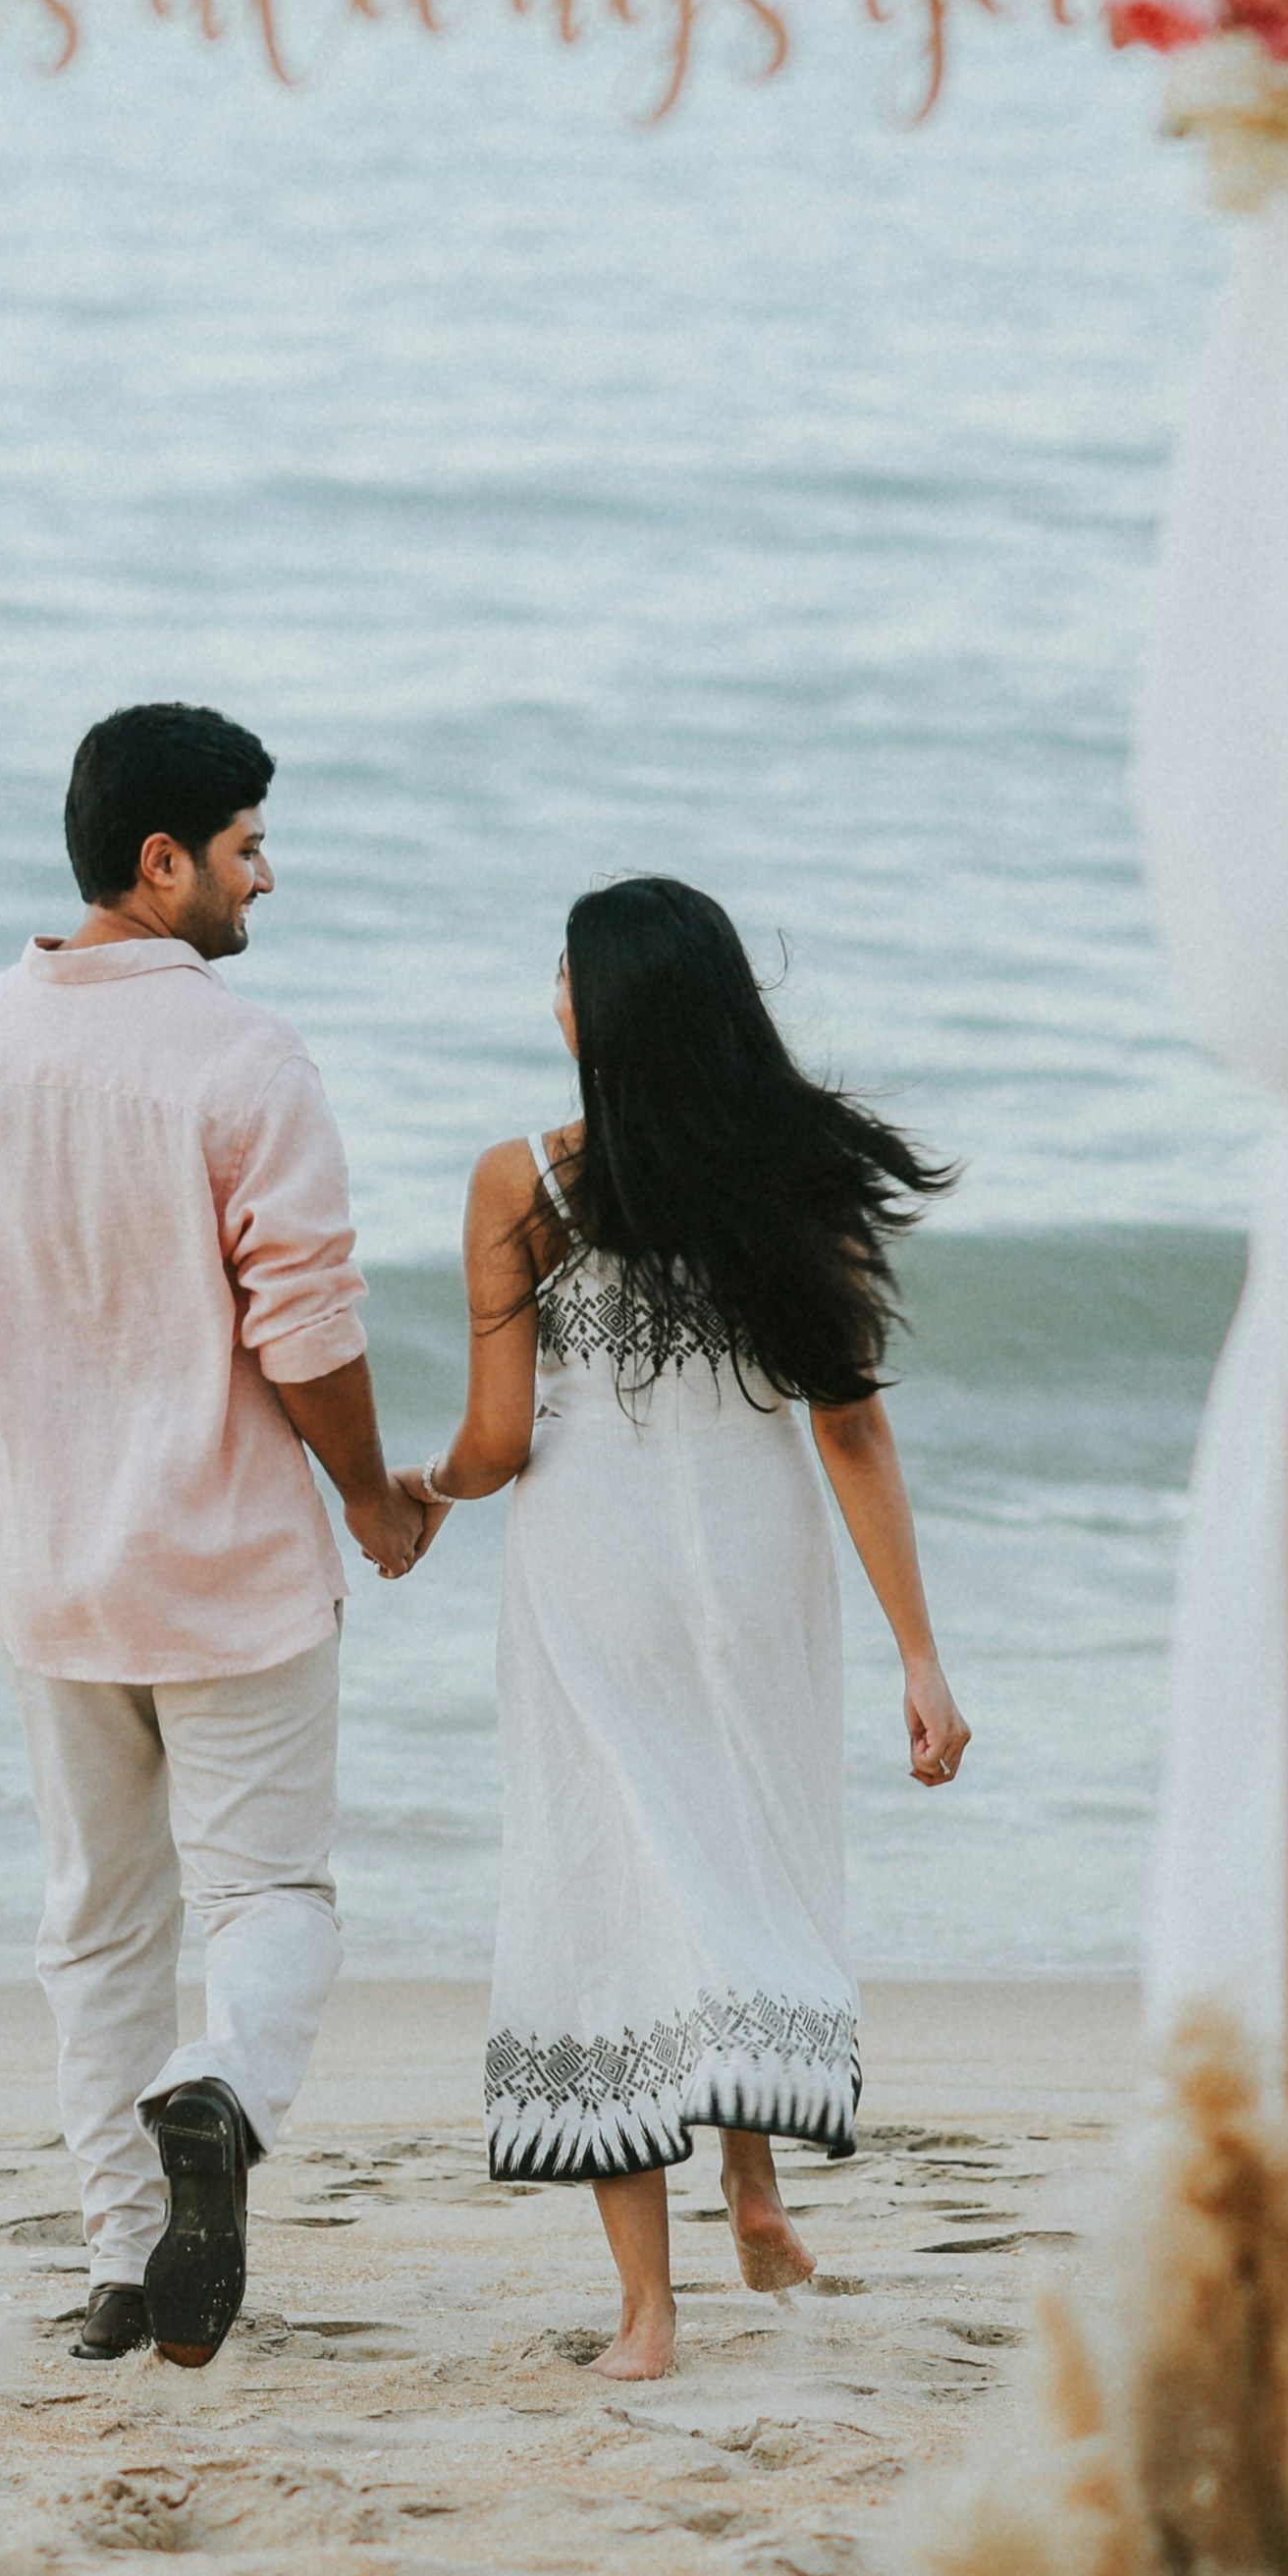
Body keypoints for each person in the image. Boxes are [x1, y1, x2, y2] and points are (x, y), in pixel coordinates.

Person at [0, 700, 439, 2368]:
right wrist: (372, 1498)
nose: (265, 879)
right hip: (226, 1565)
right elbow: (305, 1323)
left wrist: (1, 1253)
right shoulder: (244, 1059)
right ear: (164, 866)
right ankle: (222, 2098)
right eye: (244, 849)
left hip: (41, 1572)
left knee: (95, 1920)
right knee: (271, 1892)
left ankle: (117, 2262)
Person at [434, 870, 967, 2383]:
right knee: (730, 1854)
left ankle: (647, 2315)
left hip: (592, 1568)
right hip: (753, 1569)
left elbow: (495, 1442)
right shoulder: (796, 1183)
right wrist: (921, 1657)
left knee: (610, 1882)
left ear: (595, 1015)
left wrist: (410, 1494)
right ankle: (753, 2183)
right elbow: (851, 1433)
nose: (551, 994)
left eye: (563, 976)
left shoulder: (520, 1186)